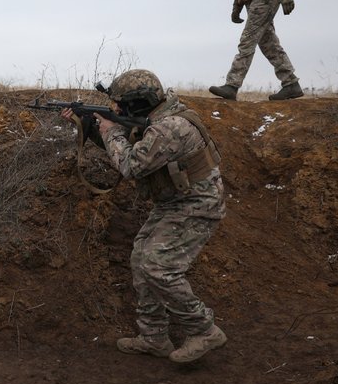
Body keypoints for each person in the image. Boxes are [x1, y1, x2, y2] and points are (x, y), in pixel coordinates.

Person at [61, 69, 227, 363]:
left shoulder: (169, 128)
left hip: (197, 204)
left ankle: (204, 330)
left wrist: (110, 131)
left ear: (138, 104)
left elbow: (131, 165)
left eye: (122, 105)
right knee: (141, 258)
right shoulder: (159, 115)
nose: (117, 110)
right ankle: (154, 337)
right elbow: (129, 145)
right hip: (175, 201)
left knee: (158, 266)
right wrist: (90, 126)